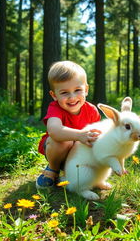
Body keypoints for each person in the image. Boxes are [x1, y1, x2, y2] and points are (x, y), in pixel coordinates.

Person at [36, 61, 101, 189]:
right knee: (63, 141)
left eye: (77, 90)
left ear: (86, 90)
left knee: (93, 142)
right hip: (57, 152)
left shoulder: (92, 110)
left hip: (79, 156)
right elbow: (54, 130)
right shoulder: (55, 108)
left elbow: (97, 134)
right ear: (54, 95)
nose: (72, 97)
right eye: (64, 93)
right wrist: (79, 135)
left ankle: (77, 174)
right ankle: (53, 170)